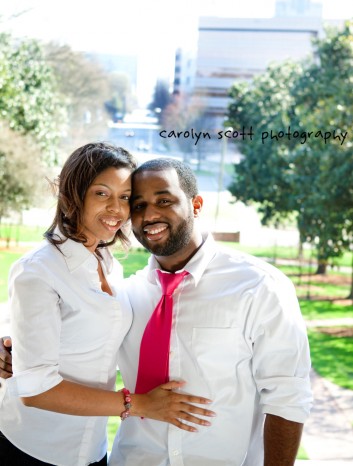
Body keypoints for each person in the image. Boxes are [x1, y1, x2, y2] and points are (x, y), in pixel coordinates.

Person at [0, 157, 312, 466]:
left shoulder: (259, 286)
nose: (149, 215)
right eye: (137, 204)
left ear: (196, 204)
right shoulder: (129, 291)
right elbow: (79, 341)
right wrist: (15, 350)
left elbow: (288, 396)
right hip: (130, 459)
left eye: (164, 200)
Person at [0, 146, 214, 466]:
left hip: (91, 449)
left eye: (125, 197)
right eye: (102, 193)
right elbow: (36, 390)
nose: (116, 209)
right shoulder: (39, 270)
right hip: (32, 447)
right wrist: (141, 405)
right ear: (74, 194)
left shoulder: (108, 264)